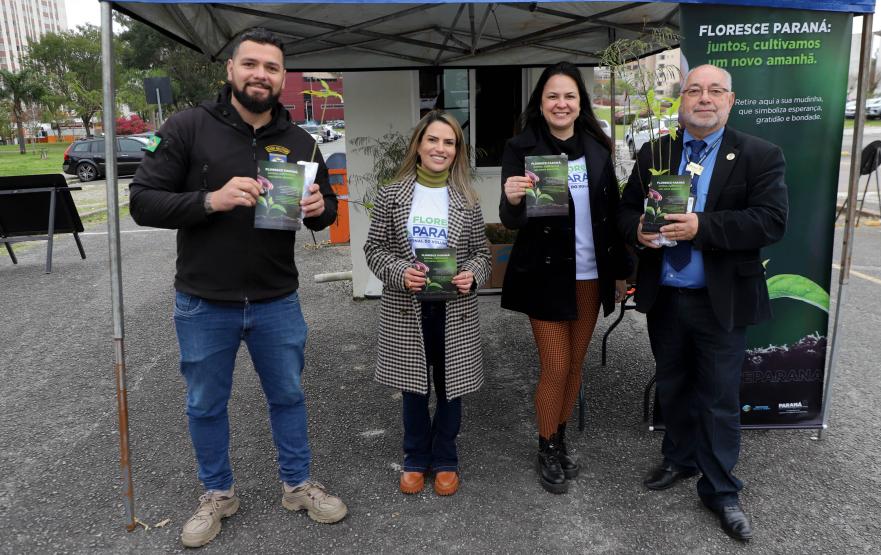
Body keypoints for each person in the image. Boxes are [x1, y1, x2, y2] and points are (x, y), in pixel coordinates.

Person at [129, 28, 347, 548]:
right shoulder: (187, 128)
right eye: (251, 64)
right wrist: (210, 200)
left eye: (272, 68)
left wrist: (321, 210)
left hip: (277, 299)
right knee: (205, 403)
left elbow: (328, 209)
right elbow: (142, 201)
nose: (261, 75)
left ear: (282, 78)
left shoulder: (301, 140)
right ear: (230, 70)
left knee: (289, 397)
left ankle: (297, 485)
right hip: (204, 301)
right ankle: (217, 495)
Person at [617, 64, 789, 542]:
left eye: (715, 91)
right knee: (672, 385)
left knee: (717, 396)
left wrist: (702, 227)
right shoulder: (658, 151)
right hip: (667, 295)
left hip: (722, 300)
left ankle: (720, 490)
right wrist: (636, 230)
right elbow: (627, 208)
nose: (704, 98)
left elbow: (771, 222)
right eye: (694, 90)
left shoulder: (760, 155)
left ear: (730, 102)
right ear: (681, 101)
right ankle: (679, 457)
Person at [500, 62, 630, 494]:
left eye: (569, 96)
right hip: (545, 276)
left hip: (591, 276)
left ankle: (559, 439)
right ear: (541, 102)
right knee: (554, 365)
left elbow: (611, 215)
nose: (561, 103)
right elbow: (511, 219)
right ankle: (545, 445)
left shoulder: (597, 147)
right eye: (553, 96)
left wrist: (622, 272)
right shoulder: (521, 147)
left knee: (575, 365)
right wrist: (513, 199)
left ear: (580, 103)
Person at [364, 110, 491, 497]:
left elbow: (482, 255)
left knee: (451, 387)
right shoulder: (391, 194)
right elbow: (374, 249)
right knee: (414, 389)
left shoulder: (467, 199)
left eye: (449, 142)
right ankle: (416, 458)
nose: (440, 148)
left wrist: (473, 275)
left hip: (454, 308)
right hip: (407, 307)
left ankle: (446, 458)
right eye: (433, 140)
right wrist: (401, 271)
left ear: (457, 151)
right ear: (418, 145)